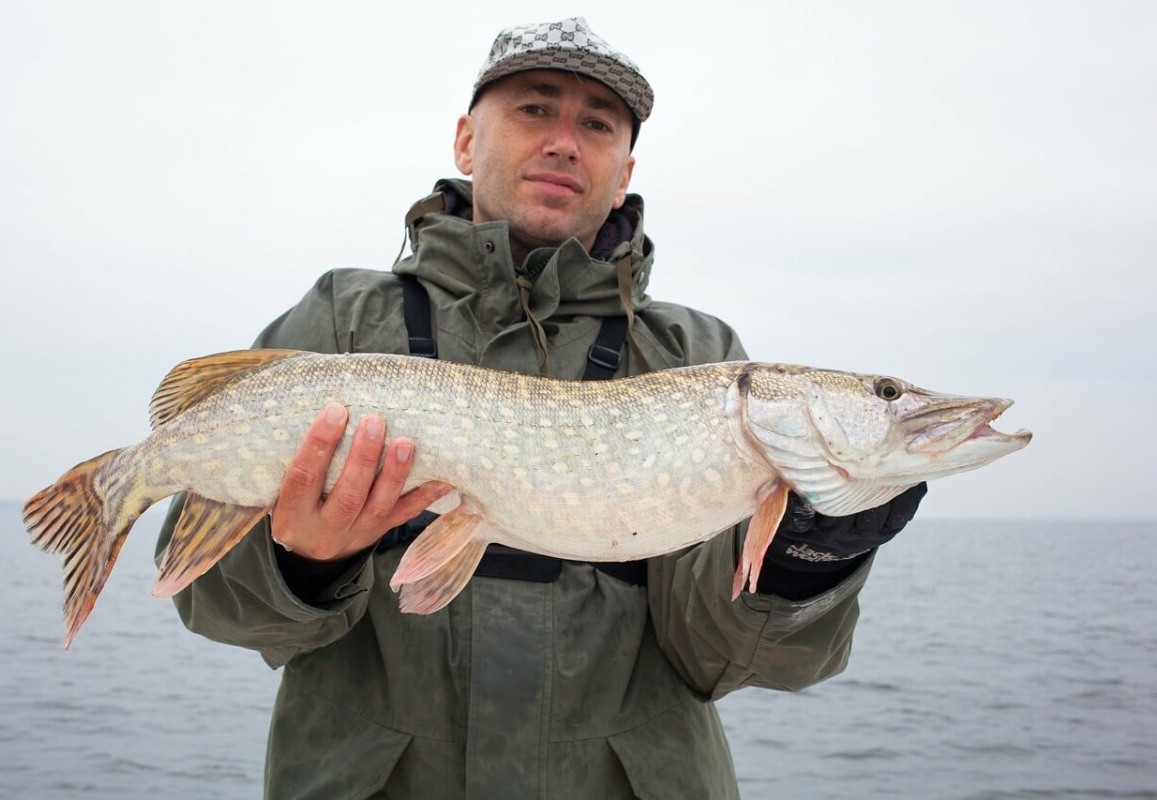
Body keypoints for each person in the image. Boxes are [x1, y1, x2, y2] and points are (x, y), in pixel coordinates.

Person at [157, 17, 926, 799]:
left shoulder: (698, 355)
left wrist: (806, 562)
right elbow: (216, 605)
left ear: (624, 171)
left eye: (597, 125)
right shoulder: (343, 318)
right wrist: (303, 563)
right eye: (535, 109)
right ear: (465, 141)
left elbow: (727, 658)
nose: (565, 141)